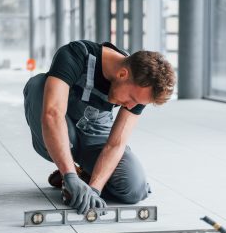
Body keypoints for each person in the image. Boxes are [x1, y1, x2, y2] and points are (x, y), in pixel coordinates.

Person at [23, 40, 176, 214]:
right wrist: (68, 174)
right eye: (131, 99)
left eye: (137, 103)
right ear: (122, 74)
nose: (131, 106)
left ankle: (85, 177)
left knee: (134, 188)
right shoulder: (76, 54)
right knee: (37, 86)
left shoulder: (140, 88)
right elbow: (53, 113)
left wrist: (95, 189)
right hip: (61, 125)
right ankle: (72, 172)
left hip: (95, 133)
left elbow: (116, 144)